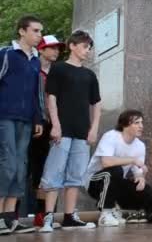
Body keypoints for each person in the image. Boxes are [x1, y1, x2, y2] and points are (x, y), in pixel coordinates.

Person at [40, 30, 101, 232]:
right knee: (54, 173)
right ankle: (48, 217)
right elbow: (51, 98)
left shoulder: (90, 75)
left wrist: (94, 129)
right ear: (73, 46)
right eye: (84, 46)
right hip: (62, 130)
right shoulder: (58, 69)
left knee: (76, 175)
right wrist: (56, 124)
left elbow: (96, 104)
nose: (87, 51)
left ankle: (69, 216)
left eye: (89, 48)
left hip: (82, 132)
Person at [0, 16, 43, 235]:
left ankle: (9, 218)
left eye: (40, 31)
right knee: (7, 164)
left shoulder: (35, 60)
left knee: (20, 167)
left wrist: (38, 119)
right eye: (35, 31)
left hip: (26, 120)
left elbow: (37, 94)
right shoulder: (6, 54)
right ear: (22, 32)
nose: (39, 35)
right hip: (4, 117)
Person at [85, 109, 152, 226]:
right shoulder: (111, 136)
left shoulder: (140, 146)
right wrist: (132, 160)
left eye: (141, 123)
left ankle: (132, 213)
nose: (141, 126)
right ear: (125, 125)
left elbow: (137, 172)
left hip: (116, 183)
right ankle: (106, 214)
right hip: (95, 182)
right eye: (136, 123)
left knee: (146, 190)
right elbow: (106, 162)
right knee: (116, 170)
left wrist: (141, 178)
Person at [29, 35, 64, 228]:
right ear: (41, 49)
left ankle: (42, 215)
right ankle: (12, 214)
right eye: (51, 48)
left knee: (47, 170)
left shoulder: (57, 74)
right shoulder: (32, 70)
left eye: (58, 48)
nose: (56, 51)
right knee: (29, 169)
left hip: (53, 125)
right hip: (34, 123)